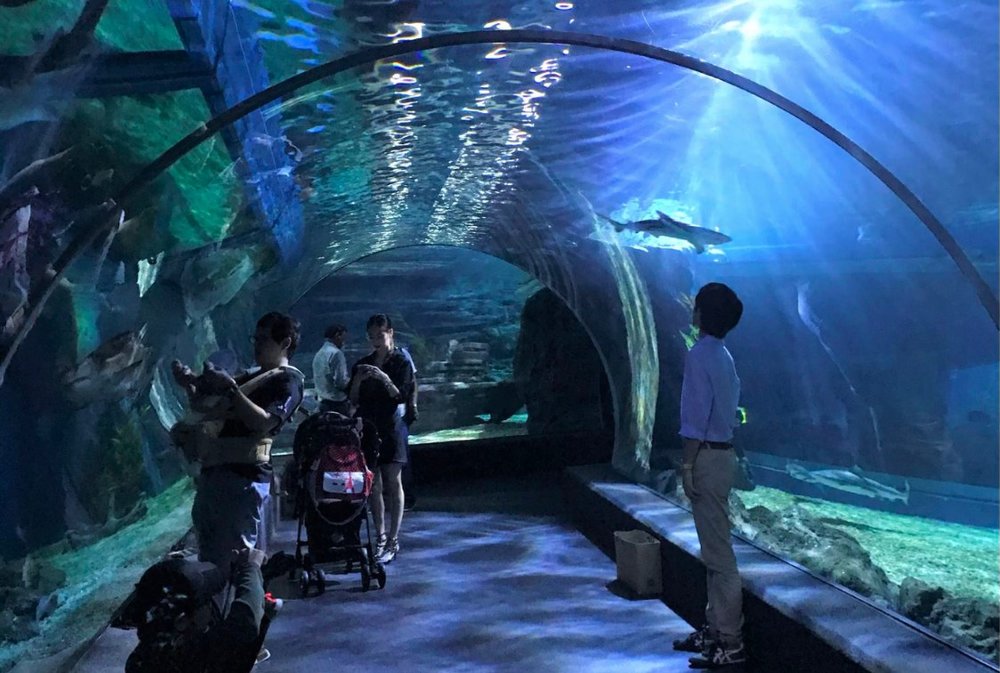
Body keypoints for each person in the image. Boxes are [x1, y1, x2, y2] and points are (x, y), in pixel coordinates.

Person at [171, 312, 305, 569]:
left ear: (285, 343)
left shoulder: (289, 380)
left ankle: (251, 605)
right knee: (210, 555)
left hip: (245, 478)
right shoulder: (250, 375)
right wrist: (189, 385)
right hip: (214, 475)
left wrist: (231, 389)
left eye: (263, 340)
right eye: (255, 339)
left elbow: (265, 422)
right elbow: (207, 412)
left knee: (240, 558)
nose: (256, 346)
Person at [672, 283, 746, 669]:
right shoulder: (723, 354)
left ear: (704, 313)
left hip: (706, 457)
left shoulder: (699, 355)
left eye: (696, 304)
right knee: (713, 552)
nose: (692, 308)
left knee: (720, 557)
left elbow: (694, 418)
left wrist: (687, 466)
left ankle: (730, 642)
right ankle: (715, 629)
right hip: (722, 456)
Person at [348, 314, 414, 564]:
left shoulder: (401, 362)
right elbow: (353, 399)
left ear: (390, 333)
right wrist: (359, 379)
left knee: (392, 481)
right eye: (372, 336)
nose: (376, 340)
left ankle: (394, 538)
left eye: (380, 335)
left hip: (391, 427)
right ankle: (381, 536)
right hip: (368, 429)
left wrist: (383, 377)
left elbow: (401, 396)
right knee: (372, 484)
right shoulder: (362, 364)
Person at [312, 323, 351, 416]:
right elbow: (340, 382)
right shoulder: (337, 354)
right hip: (337, 405)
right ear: (337, 335)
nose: (344, 342)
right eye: (344, 338)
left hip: (322, 403)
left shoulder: (319, 353)